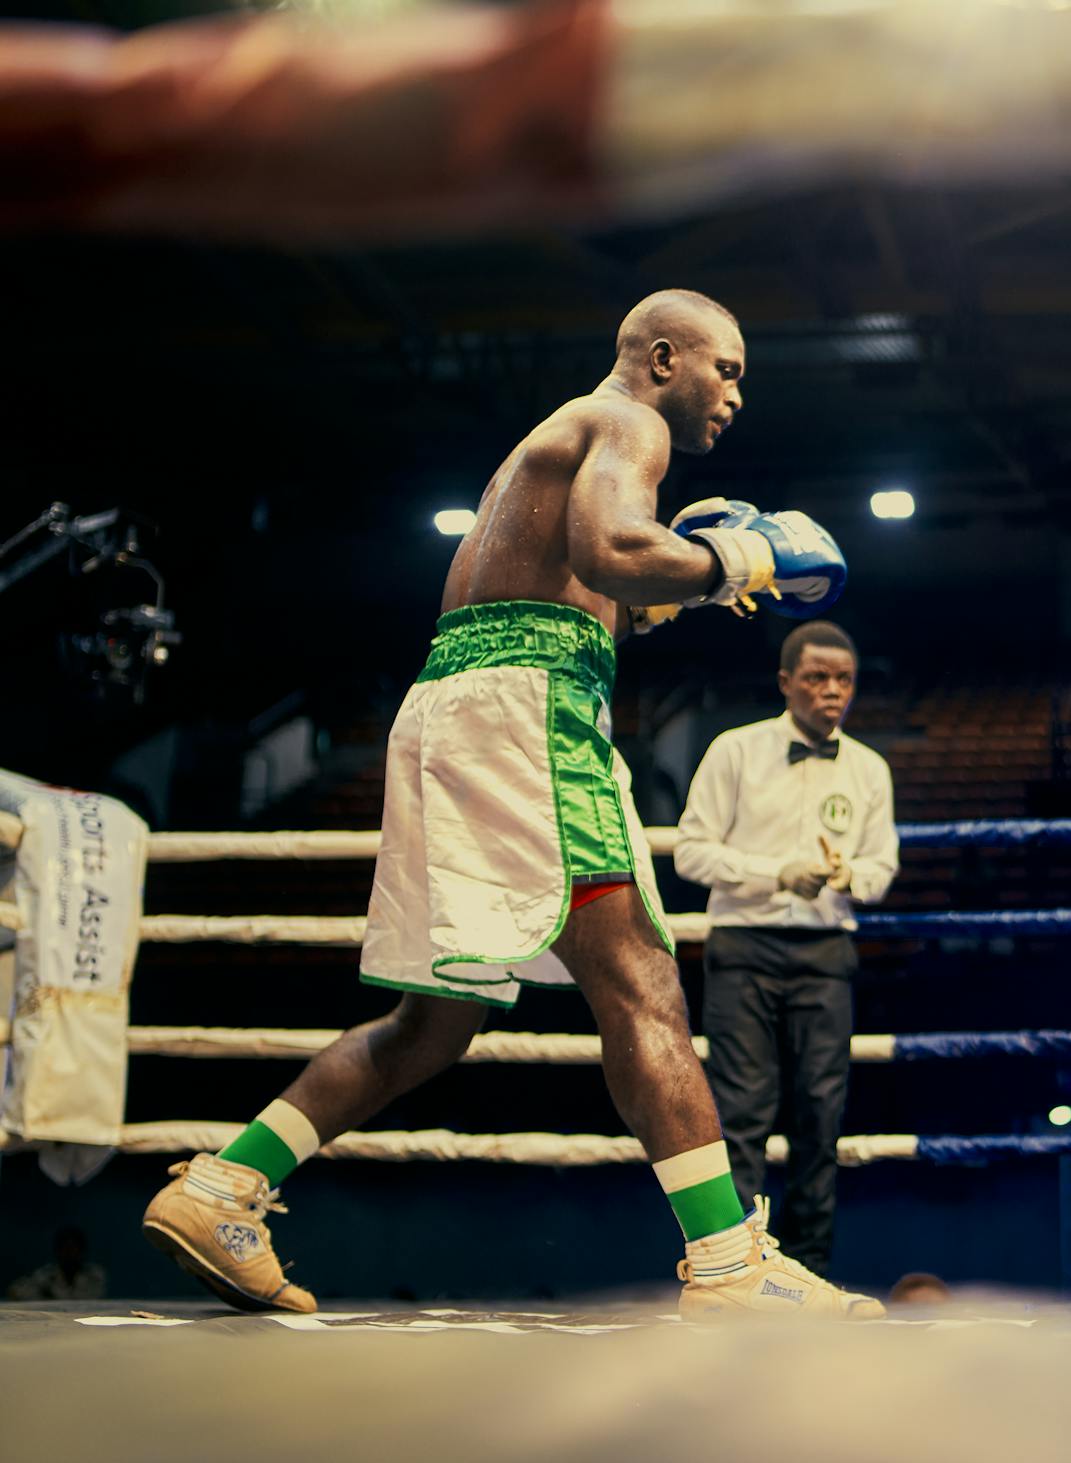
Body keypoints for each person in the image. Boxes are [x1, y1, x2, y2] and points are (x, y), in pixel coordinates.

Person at [141, 290, 881, 1320]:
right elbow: (611, 555)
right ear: (664, 357)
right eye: (728, 368)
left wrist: (691, 580)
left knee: (431, 1022)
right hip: (527, 711)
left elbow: (597, 589)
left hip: (459, 705)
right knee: (640, 982)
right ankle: (727, 1263)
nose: (736, 394)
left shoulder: (560, 443)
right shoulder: (623, 419)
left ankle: (223, 1185)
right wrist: (746, 558)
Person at [673, 621, 898, 1274]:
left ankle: (811, 1269)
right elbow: (690, 850)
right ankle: (735, 1271)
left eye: (844, 679)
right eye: (817, 677)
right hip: (744, 945)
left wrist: (845, 874)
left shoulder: (869, 768)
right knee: (740, 1114)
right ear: (786, 682)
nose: (832, 691)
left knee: (820, 1121)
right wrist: (774, 873)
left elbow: (882, 866)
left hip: (827, 950)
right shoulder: (735, 751)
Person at [6, 1226, 107, 1302]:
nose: (69, 1254)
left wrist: (52, 1295)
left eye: (73, 1249)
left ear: (82, 1250)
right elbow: (15, 1291)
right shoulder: (45, 1275)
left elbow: (88, 1300)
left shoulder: (95, 1275)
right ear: (58, 1251)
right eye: (65, 1249)